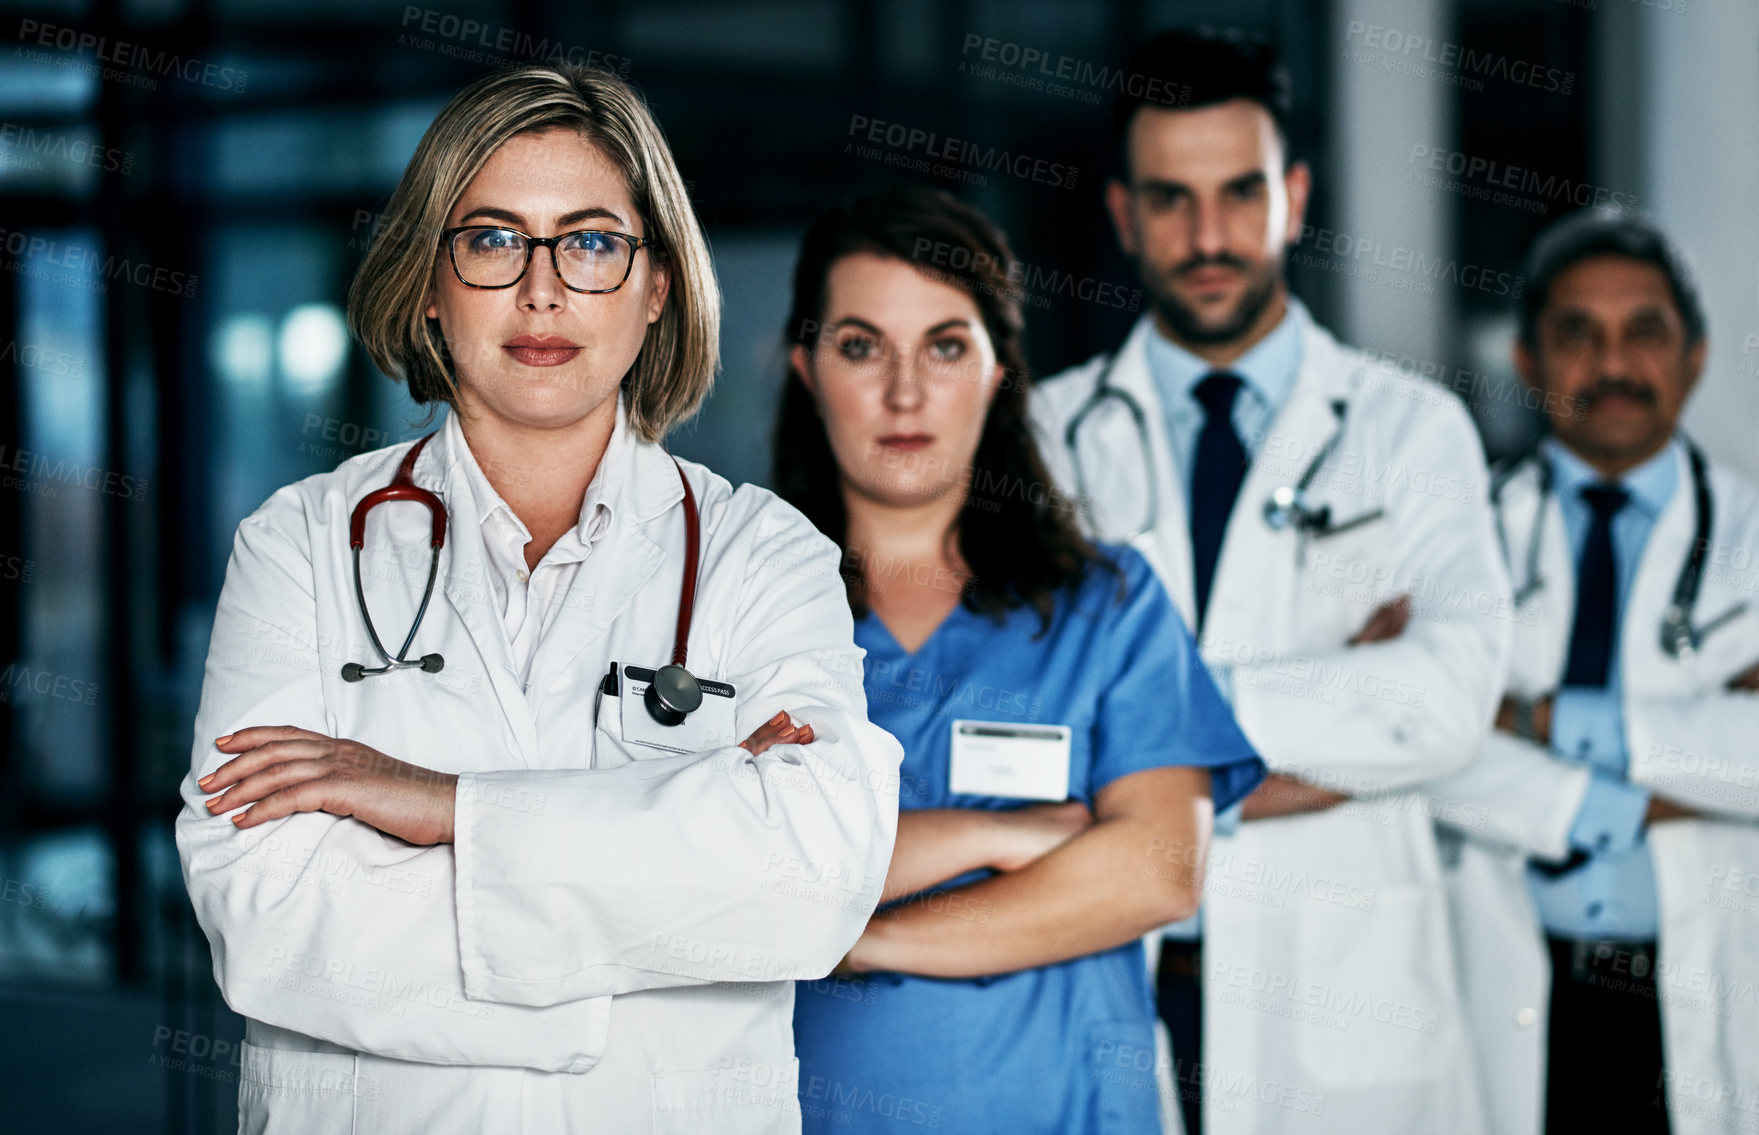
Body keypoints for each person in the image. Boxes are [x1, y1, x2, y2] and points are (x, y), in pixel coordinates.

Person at [175, 64, 902, 1134]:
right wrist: (651, 902)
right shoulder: (300, 546)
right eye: (493, 239)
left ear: (656, 289)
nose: (543, 289)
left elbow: (813, 876)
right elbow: (266, 912)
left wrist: (445, 808)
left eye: (594, 242)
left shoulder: (762, 553)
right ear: (429, 281)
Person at [1028, 30, 1511, 1135]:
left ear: (1292, 195)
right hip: (1112, 972)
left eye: (1240, 192)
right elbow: (1017, 728)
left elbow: (1450, 703)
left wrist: (1141, 732)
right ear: (1121, 215)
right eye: (1170, 198)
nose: (1208, 236)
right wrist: (1337, 705)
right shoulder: (1042, 438)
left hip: (1340, 998)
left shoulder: (1410, 428)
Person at [773, 186, 1264, 1134]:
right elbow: (730, 875)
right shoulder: (739, 613)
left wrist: (861, 939)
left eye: (946, 345)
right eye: (861, 345)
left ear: (999, 370)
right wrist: (993, 836)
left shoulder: (1106, 604)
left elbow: (1159, 866)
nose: (904, 391)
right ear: (807, 366)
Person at [1425, 212, 1759, 1135]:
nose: (1612, 364)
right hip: (1509, 986)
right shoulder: (1450, 537)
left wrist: (1528, 721)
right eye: (1577, 335)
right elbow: (1419, 742)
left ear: (1692, 357)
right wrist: (1686, 768)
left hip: (1706, 990)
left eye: (1643, 332)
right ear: (1527, 360)